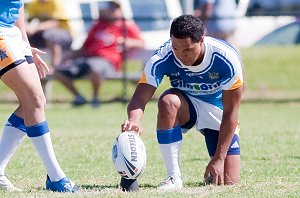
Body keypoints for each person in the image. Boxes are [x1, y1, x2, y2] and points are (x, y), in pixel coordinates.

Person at [121, 14, 244, 191]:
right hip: (186, 106)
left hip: (218, 111)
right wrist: (134, 121)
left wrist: (219, 158)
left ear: (201, 40)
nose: (181, 55)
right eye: (176, 48)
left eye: (187, 49)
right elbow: (140, 97)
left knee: (229, 181)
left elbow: (231, 111)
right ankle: (174, 177)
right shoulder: (164, 55)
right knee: (168, 101)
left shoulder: (227, 58)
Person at [0, 0, 77, 192]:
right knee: (33, 100)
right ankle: (57, 177)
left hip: (13, 35)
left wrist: (25, 45)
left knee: (35, 102)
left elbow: (18, 6)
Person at [54, 0, 144, 107]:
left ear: (119, 10)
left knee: (94, 68)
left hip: (108, 62)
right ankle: (78, 97)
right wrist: (70, 57)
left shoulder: (125, 26)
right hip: (88, 60)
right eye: (109, 7)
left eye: (114, 8)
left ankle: (95, 98)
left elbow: (141, 42)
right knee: (58, 71)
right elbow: (85, 47)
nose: (110, 10)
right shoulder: (98, 26)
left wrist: (129, 42)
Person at [26, 0, 73, 69]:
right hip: (43, 35)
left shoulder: (56, 2)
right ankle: (31, 66)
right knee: (26, 36)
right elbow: (29, 21)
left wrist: (35, 28)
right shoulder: (34, 4)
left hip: (65, 35)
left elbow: (55, 23)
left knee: (50, 35)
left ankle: (55, 67)